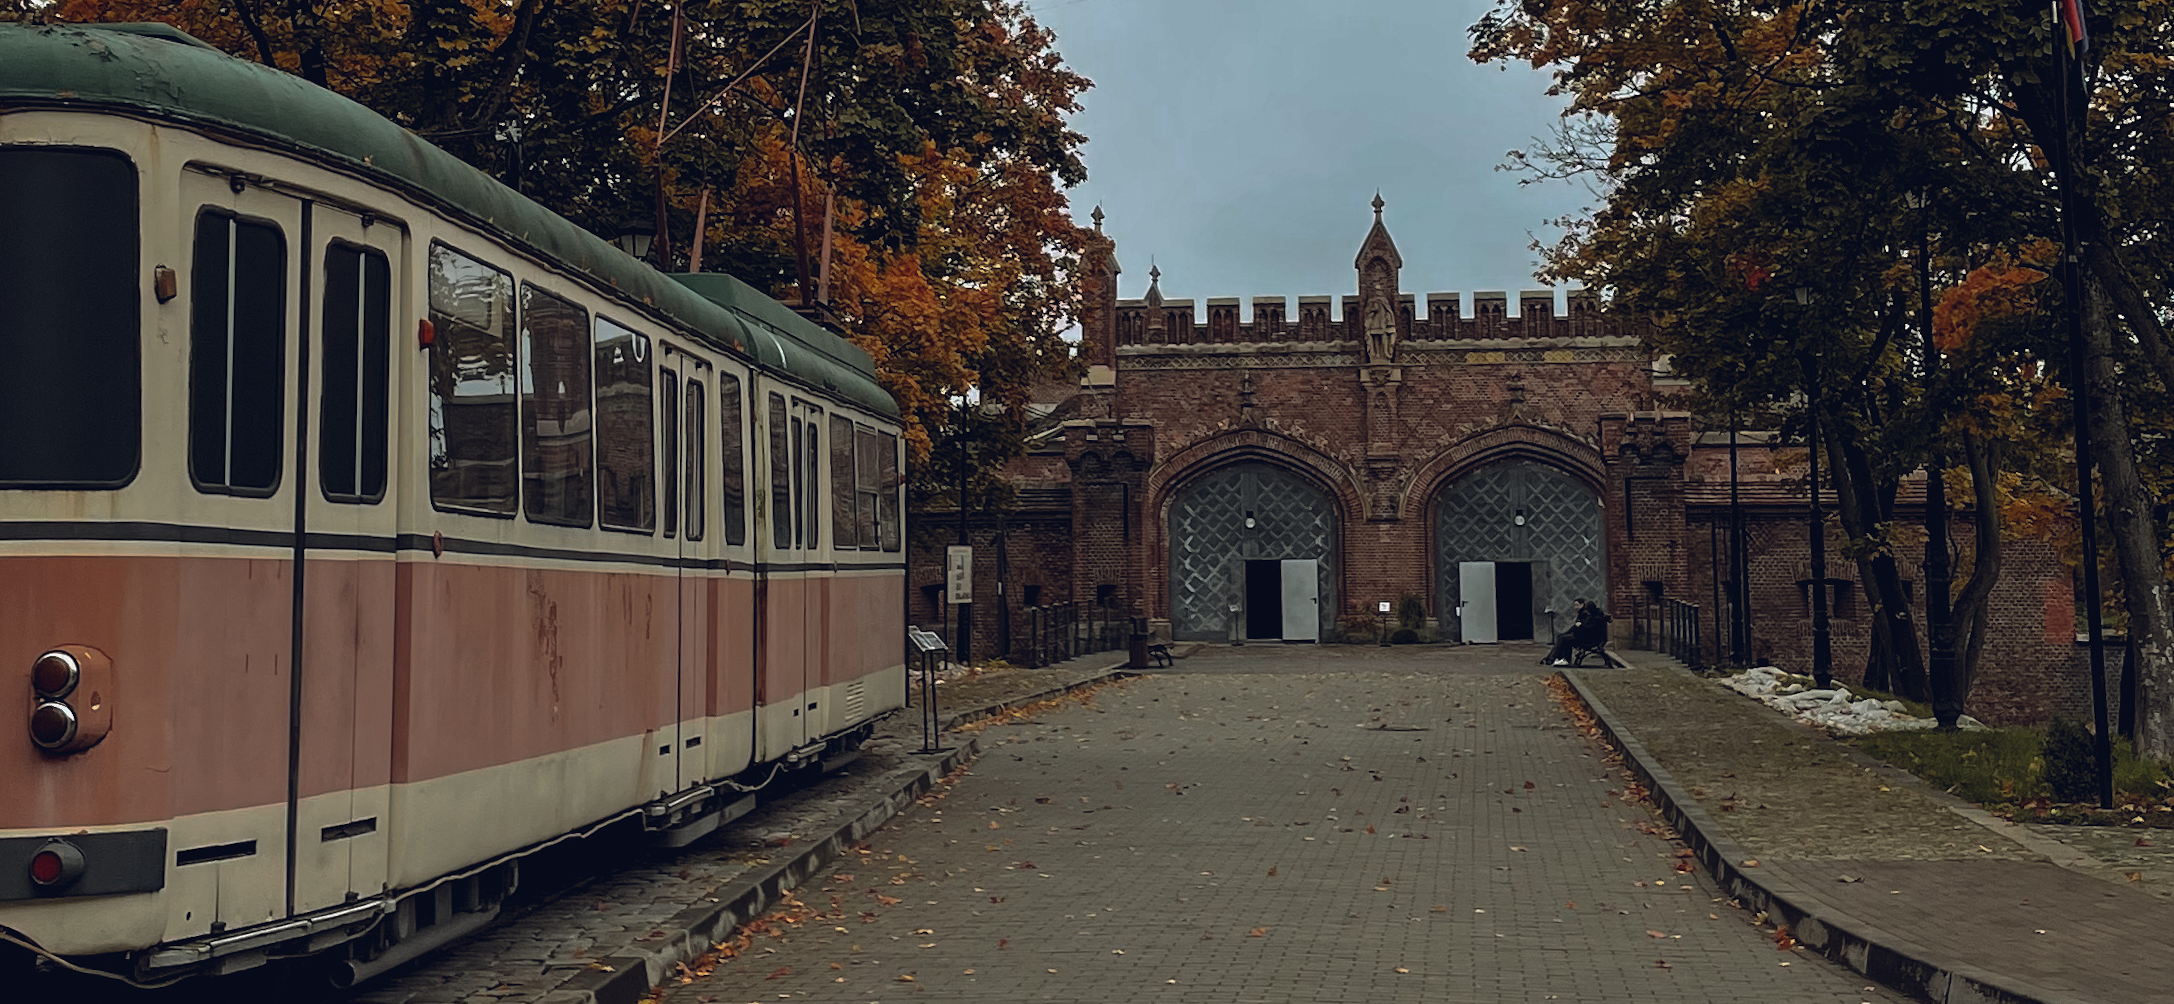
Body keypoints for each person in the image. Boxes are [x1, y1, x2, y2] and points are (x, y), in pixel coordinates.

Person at [1543, 598, 1610, 666]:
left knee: (1564, 639)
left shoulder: (1596, 618)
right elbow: (1579, 628)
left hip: (1589, 640)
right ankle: (1556, 658)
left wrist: (1580, 626)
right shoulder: (1592, 616)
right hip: (1586, 638)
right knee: (1563, 637)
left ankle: (1554, 658)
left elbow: (1588, 630)